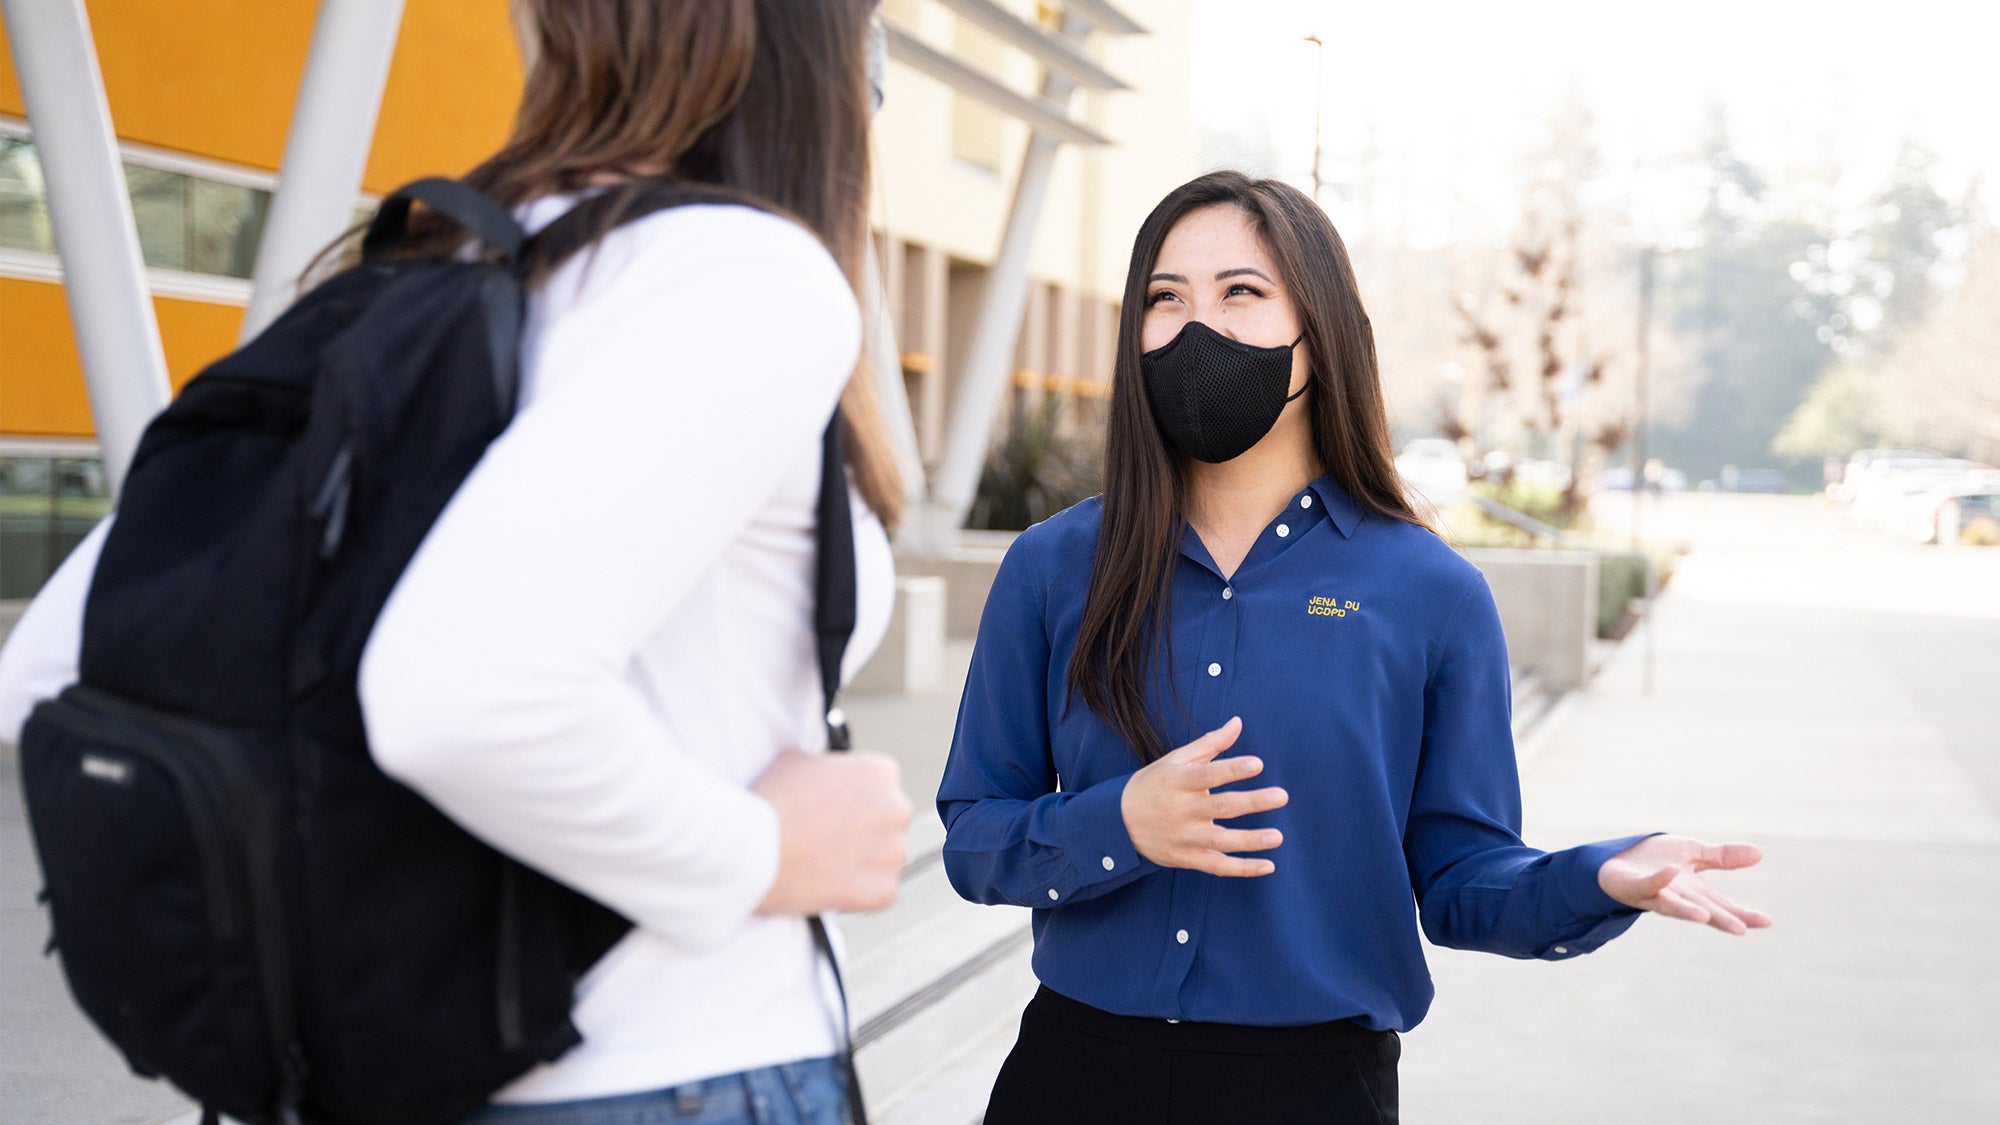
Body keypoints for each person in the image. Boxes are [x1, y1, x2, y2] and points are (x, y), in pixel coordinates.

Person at [0, 2, 910, 1122]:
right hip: (658, 1070)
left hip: (369, 1079)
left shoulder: (412, 270)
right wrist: (759, 854)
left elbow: (51, 664)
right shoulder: (738, 274)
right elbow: (458, 695)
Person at [935, 170, 1771, 1125]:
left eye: (1241, 293)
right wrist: (1117, 823)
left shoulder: (1431, 593)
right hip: (1072, 1078)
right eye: (1166, 298)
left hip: (1312, 1093)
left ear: (1319, 332)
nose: (1197, 327)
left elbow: (1461, 881)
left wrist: (1597, 877)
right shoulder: (1052, 566)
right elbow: (972, 838)